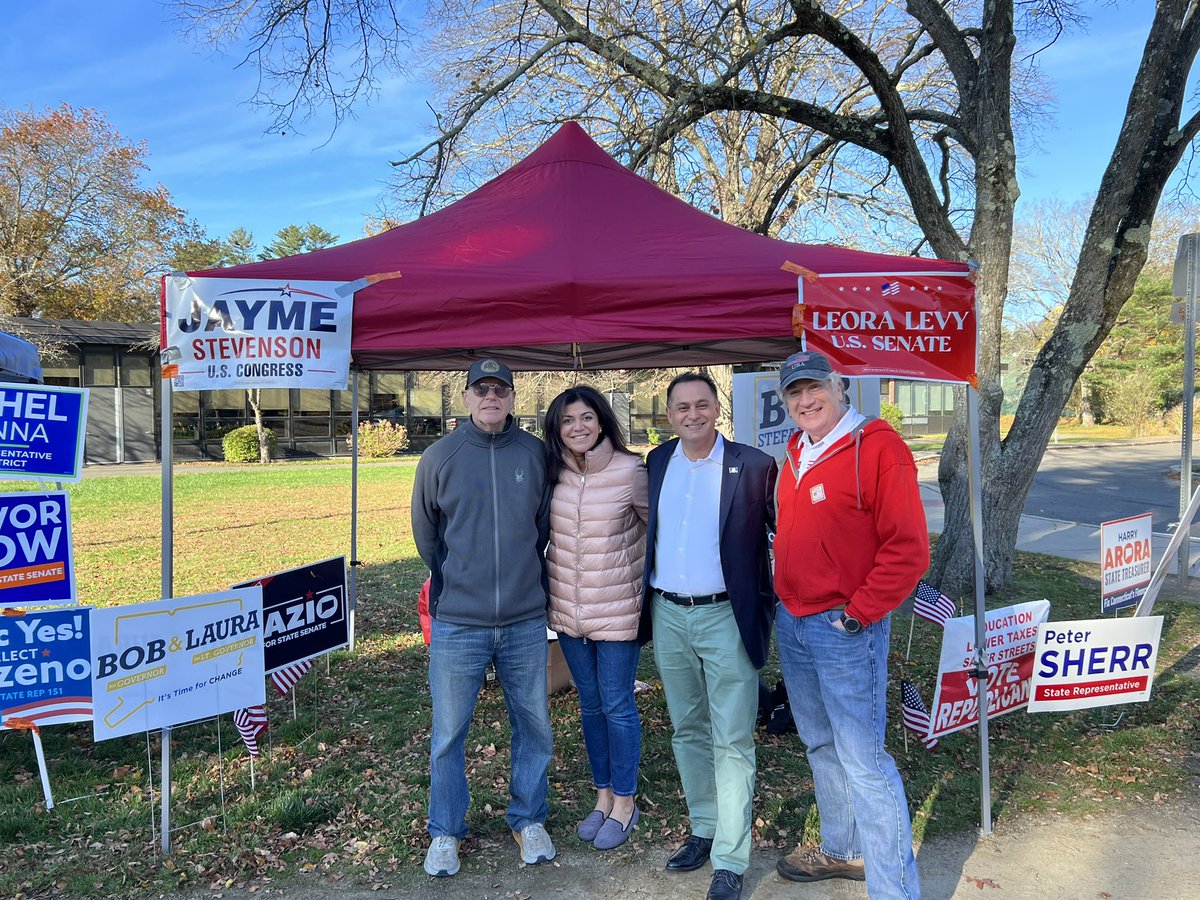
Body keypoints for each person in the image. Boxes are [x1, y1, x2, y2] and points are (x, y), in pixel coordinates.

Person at [771, 349, 928, 900]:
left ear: (839, 388)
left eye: (814, 388)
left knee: (864, 760)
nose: (805, 400)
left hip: (844, 628)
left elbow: (908, 550)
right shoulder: (797, 451)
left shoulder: (879, 447)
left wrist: (858, 615)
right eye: (794, 393)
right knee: (819, 744)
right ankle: (842, 850)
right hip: (793, 623)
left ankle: (895, 891)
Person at [411, 358, 555, 878]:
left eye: (500, 389)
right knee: (449, 731)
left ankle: (529, 818)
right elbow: (427, 535)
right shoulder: (440, 457)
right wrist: (461, 579)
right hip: (458, 621)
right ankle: (446, 831)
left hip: (522, 619)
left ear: (514, 398)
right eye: (481, 389)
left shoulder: (535, 454)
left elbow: (541, 528)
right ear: (466, 399)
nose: (490, 397)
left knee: (534, 725)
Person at [638, 372, 777, 900]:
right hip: (668, 612)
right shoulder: (656, 462)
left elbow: (784, 532)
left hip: (727, 616)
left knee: (733, 738)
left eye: (701, 404)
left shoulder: (755, 466)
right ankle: (704, 827)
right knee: (687, 728)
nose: (692, 414)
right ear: (668, 413)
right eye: (681, 407)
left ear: (716, 408)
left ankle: (730, 859)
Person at [544, 385, 649, 850]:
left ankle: (625, 802)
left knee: (618, 706)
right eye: (568, 421)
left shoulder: (632, 471)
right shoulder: (555, 473)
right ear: (557, 430)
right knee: (589, 706)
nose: (578, 427)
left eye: (586, 417)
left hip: (618, 613)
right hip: (567, 612)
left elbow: (655, 532)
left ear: (602, 421)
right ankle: (602, 795)